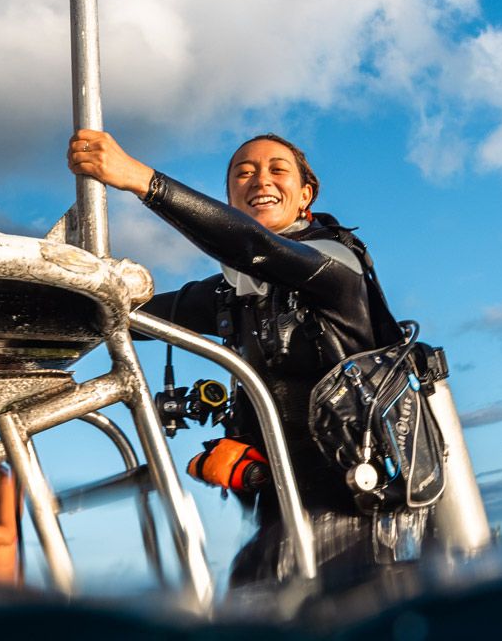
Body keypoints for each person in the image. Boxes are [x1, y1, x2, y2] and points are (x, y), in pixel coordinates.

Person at [67, 128, 413, 589]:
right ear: (230, 198)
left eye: (277, 170)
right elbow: (128, 318)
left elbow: (257, 249)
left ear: (305, 193)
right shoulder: (232, 294)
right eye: (243, 174)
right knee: (252, 583)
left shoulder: (337, 267)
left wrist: (140, 179)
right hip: (287, 523)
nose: (260, 181)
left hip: (370, 521)